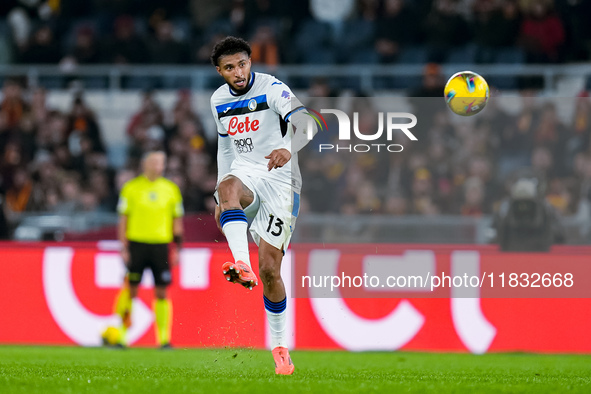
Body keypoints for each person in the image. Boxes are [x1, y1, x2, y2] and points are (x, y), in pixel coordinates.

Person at [209, 36, 317, 375]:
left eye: (242, 64)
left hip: (281, 181)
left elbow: (307, 123)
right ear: (220, 71)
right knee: (226, 187)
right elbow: (225, 149)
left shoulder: (272, 88)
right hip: (246, 175)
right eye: (230, 68)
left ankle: (281, 347)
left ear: (250, 63)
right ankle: (241, 264)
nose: (238, 72)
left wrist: (288, 146)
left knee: (271, 269)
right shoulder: (218, 101)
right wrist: (222, 188)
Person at [113, 150, 184, 348]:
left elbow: (176, 220)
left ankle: (163, 339)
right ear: (145, 163)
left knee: (161, 291)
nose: (158, 166)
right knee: (130, 289)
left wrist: (177, 247)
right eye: (154, 161)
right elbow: (123, 219)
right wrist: (123, 246)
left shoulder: (171, 189)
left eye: (162, 162)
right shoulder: (131, 188)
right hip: (136, 244)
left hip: (161, 245)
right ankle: (122, 335)